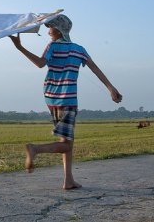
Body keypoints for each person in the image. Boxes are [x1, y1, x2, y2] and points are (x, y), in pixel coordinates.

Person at [9, 14, 122, 190]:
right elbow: (94, 68)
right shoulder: (79, 49)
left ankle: (68, 180)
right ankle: (35, 149)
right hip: (68, 98)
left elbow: (40, 63)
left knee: (67, 140)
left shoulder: (52, 47)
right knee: (67, 144)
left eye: (50, 27)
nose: (48, 31)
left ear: (59, 30)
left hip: (51, 96)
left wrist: (20, 48)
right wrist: (110, 88)